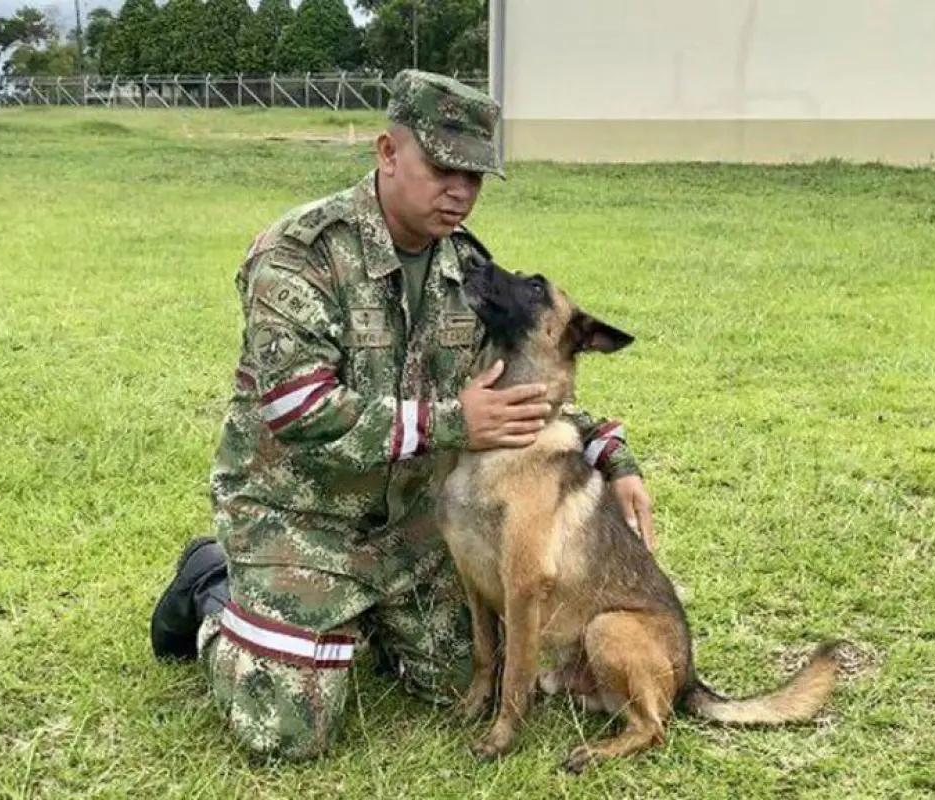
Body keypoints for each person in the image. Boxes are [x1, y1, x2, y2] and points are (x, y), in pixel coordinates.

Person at [148, 69, 655, 761]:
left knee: (470, 679)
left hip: (413, 529)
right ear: (388, 152)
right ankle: (210, 583)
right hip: (301, 518)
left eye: (475, 176)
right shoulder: (301, 254)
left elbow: (521, 392)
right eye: (444, 167)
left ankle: (360, 620)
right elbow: (301, 409)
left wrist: (612, 457)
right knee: (288, 730)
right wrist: (452, 423)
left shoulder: (468, 271)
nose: (462, 192)